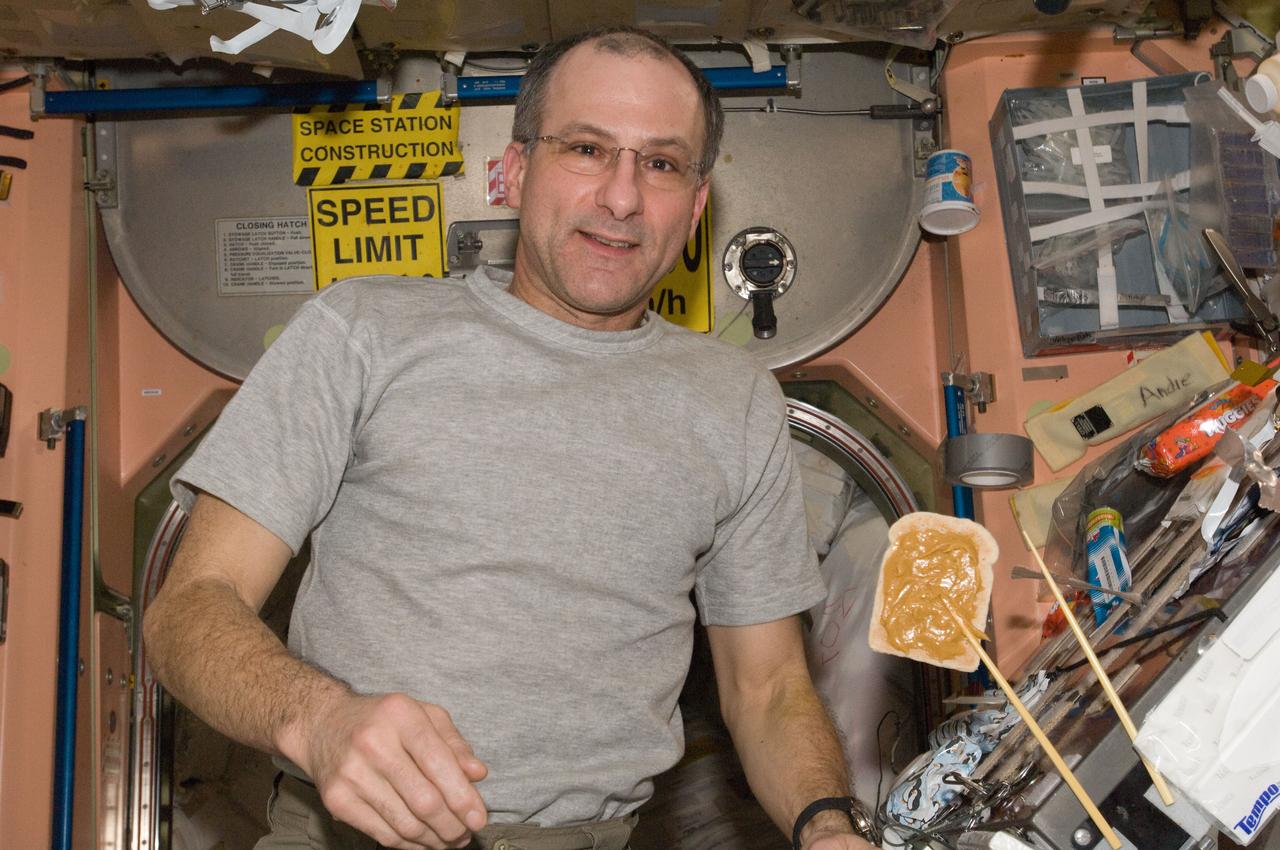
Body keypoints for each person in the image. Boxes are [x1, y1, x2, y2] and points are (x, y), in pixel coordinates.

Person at [144, 25, 880, 850]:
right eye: (588, 150)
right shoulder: (361, 331)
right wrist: (318, 720)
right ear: (518, 169)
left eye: (663, 164)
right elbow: (188, 610)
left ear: (698, 205)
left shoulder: (736, 402)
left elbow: (771, 685)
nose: (623, 198)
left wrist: (826, 824)